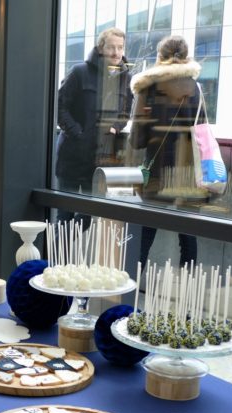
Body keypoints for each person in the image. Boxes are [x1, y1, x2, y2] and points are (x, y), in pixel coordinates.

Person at [129, 35, 201, 268]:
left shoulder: (147, 87)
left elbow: (136, 140)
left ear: (159, 57)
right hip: (188, 172)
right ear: (186, 55)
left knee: (145, 232)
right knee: (188, 234)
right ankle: (187, 291)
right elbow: (201, 130)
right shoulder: (196, 88)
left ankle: (133, 284)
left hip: (157, 171)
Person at [55, 27, 133, 231]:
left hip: (99, 160)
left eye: (120, 47)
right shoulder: (80, 72)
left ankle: (69, 259)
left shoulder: (125, 76)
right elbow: (59, 107)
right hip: (72, 157)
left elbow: (126, 111)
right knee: (64, 217)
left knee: (88, 216)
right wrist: (78, 133)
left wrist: (116, 127)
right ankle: (57, 259)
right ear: (101, 48)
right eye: (111, 48)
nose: (117, 53)